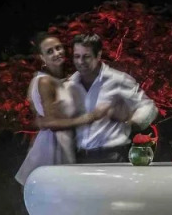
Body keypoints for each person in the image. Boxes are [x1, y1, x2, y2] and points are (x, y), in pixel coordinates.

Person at [16, 33, 109, 215]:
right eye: (50, 51)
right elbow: (49, 122)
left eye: (59, 48)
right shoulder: (45, 81)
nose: (58, 53)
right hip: (50, 153)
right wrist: (88, 118)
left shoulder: (56, 81)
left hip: (60, 150)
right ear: (42, 58)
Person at [68, 34, 158, 163]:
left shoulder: (118, 79)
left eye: (86, 56)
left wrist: (131, 122)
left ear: (98, 55)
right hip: (80, 159)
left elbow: (148, 107)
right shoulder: (71, 84)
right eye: (77, 56)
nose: (80, 61)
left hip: (113, 157)